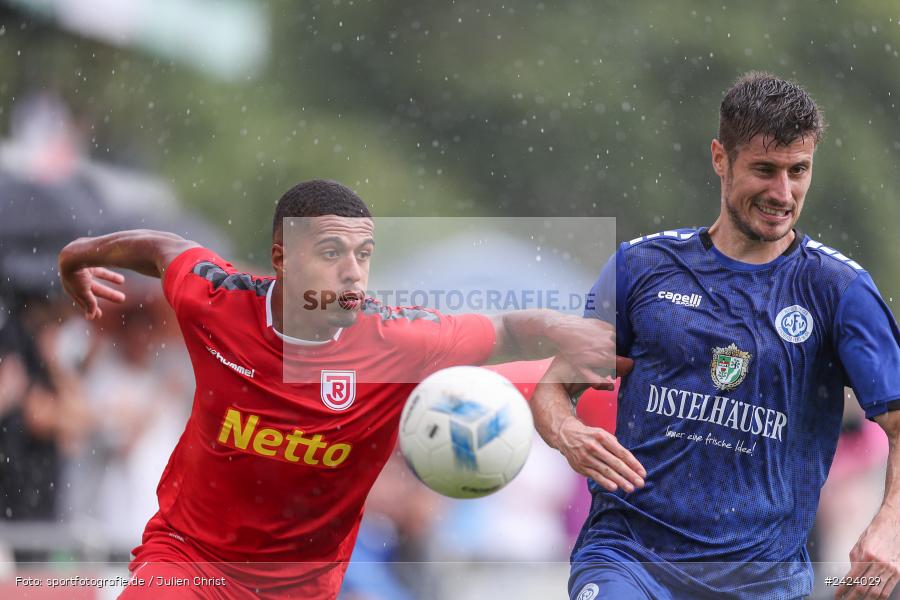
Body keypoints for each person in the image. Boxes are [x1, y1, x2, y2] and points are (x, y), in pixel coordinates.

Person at [57, 179, 626, 599]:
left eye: (364, 254)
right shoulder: (218, 302)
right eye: (331, 253)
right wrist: (77, 256)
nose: (353, 271)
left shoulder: (400, 339)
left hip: (302, 589)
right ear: (282, 257)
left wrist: (560, 328)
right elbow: (161, 248)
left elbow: (504, 328)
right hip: (189, 562)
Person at [531, 72, 900, 599]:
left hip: (759, 579)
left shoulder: (838, 290)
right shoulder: (642, 267)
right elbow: (553, 389)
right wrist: (568, 435)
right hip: (630, 558)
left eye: (799, 171)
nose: (783, 192)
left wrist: (890, 526)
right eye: (765, 170)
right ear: (720, 159)